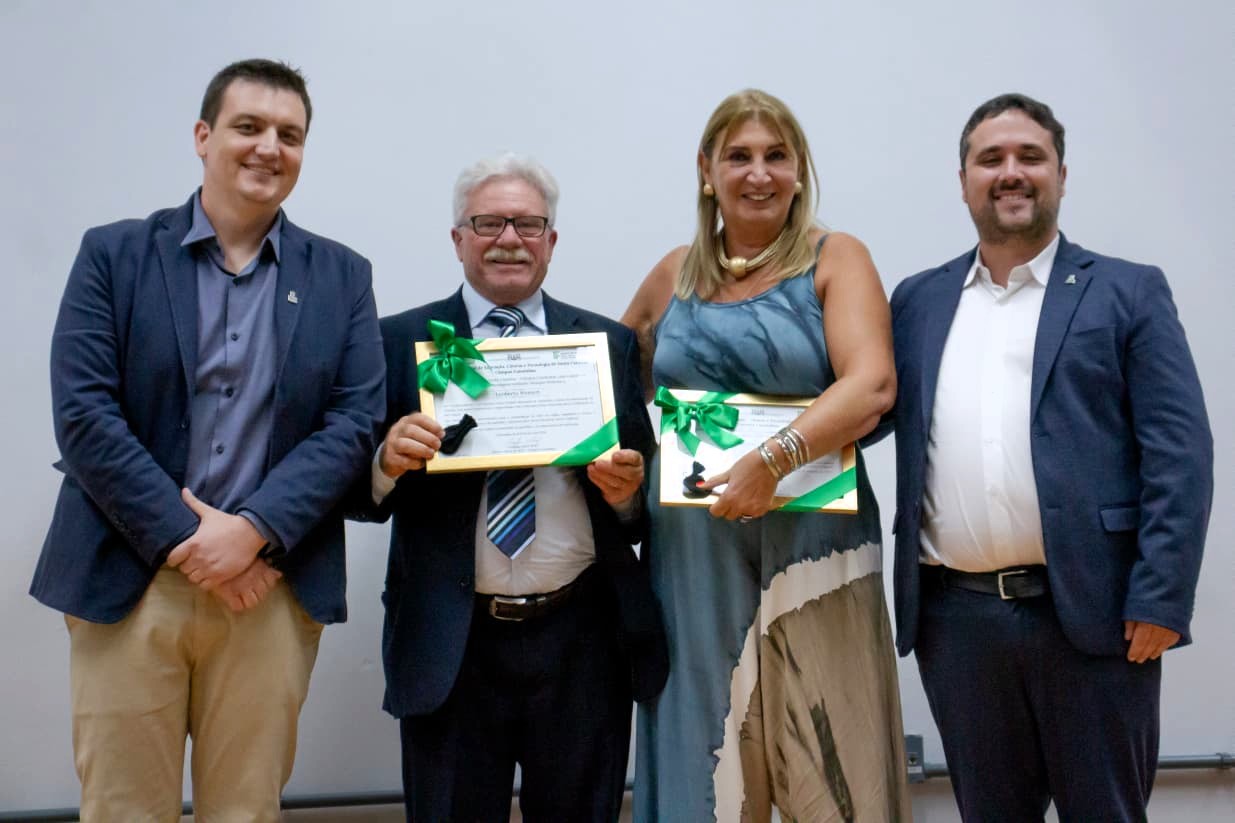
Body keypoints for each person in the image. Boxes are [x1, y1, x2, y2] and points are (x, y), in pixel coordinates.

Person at [31, 59, 386, 821]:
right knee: (123, 809)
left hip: (269, 587)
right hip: (128, 580)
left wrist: (253, 533)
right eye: (248, 126)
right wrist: (196, 542)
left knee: (245, 811)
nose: (269, 147)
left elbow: (353, 424)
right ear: (203, 136)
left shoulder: (343, 277)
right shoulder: (114, 255)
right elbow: (86, 416)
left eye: (289, 135)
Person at [877, 92, 1213, 821]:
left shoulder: (1126, 290)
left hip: (1094, 619)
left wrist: (1160, 597)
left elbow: (1179, 454)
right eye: (989, 158)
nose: (1010, 172)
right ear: (962, 177)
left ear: (1060, 173)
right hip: (957, 625)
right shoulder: (915, 301)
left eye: (1029, 156)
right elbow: (862, 404)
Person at [352, 153, 667, 822]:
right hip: (452, 643)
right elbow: (357, 494)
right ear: (458, 238)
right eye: (488, 222)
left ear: (551, 239)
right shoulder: (398, 342)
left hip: (583, 636)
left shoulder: (604, 343)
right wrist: (386, 461)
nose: (508, 238)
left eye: (527, 224)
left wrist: (623, 493)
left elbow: (640, 512)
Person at [622, 89, 909, 822]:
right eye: (739, 156)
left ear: (799, 169)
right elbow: (605, 398)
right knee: (700, 758)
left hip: (816, 549)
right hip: (692, 558)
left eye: (776, 155)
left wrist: (770, 462)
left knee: (833, 763)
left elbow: (871, 383)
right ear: (705, 170)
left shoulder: (834, 256)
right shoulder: (672, 274)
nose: (758, 174)